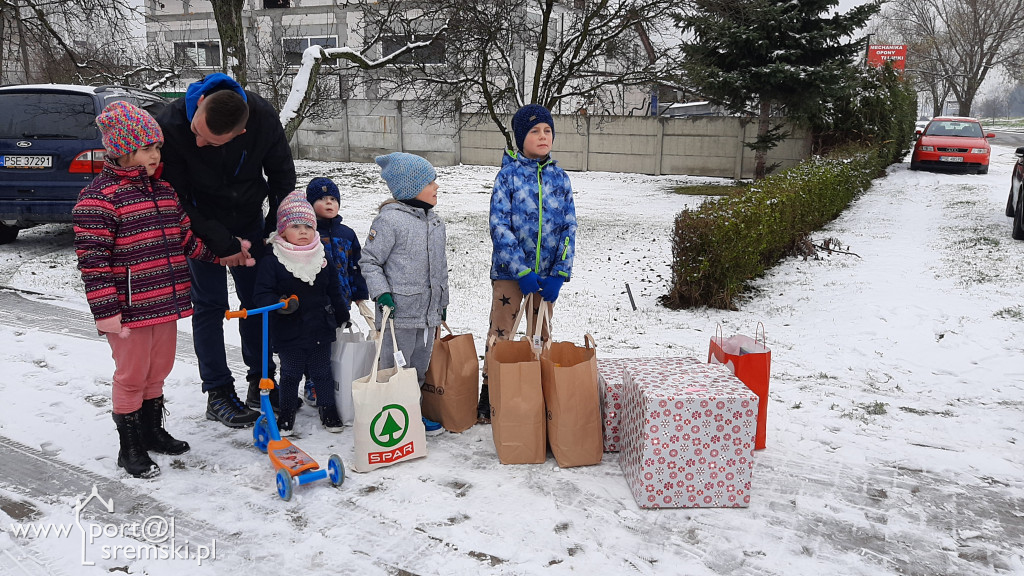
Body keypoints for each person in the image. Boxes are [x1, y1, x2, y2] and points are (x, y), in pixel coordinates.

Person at [72, 101, 221, 478]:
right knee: (132, 375)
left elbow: (184, 240)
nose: (155, 155)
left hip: (164, 302)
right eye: (146, 149)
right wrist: (106, 313)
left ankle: (153, 431)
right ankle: (130, 446)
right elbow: (94, 263)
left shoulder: (164, 192)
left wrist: (224, 257)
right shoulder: (98, 199)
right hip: (128, 310)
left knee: (159, 370)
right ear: (121, 152)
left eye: (157, 147)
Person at [156, 73, 296, 428]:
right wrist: (221, 243)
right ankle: (218, 392)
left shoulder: (261, 118)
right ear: (199, 106)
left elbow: (282, 176)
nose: (199, 143)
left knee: (259, 301)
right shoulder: (172, 125)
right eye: (197, 133)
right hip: (198, 225)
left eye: (211, 141)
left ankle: (261, 381)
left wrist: (272, 232)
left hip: (249, 218)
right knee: (210, 305)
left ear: (240, 133)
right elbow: (176, 199)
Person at [479, 104, 577, 424]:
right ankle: (489, 390)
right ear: (521, 138)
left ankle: (539, 386)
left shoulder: (560, 179)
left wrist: (560, 273)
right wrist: (520, 270)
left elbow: (568, 227)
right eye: (535, 131)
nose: (542, 136)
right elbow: (499, 226)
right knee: (501, 331)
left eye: (547, 130)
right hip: (511, 275)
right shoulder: (508, 177)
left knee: (541, 334)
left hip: (547, 275)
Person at [359, 153, 448, 436]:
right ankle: (391, 423)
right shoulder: (389, 222)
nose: (436, 187)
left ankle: (413, 415)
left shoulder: (436, 224)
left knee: (418, 371)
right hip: (397, 315)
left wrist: (442, 303)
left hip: (427, 314)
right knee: (395, 370)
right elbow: (369, 261)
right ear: (410, 188)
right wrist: (382, 294)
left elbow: (441, 268)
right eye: (430, 182)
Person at [253, 191, 350, 435]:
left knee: (322, 371)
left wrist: (342, 313)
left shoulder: (321, 255)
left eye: (308, 225)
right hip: (290, 330)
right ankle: (286, 412)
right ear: (283, 230)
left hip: (320, 326)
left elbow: (333, 288)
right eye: (296, 226)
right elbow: (262, 293)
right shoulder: (273, 259)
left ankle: (328, 408)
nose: (304, 231)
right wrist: (279, 303)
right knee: (291, 373)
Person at [301, 177, 369, 406]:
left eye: (333, 198)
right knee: (314, 342)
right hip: (314, 300)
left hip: (341, 300)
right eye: (321, 199)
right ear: (309, 204)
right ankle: (312, 382)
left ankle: (336, 377)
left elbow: (355, 265)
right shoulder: (306, 234)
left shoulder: (347, 234)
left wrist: (359, 292)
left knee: (335, 340)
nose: (328, 203)